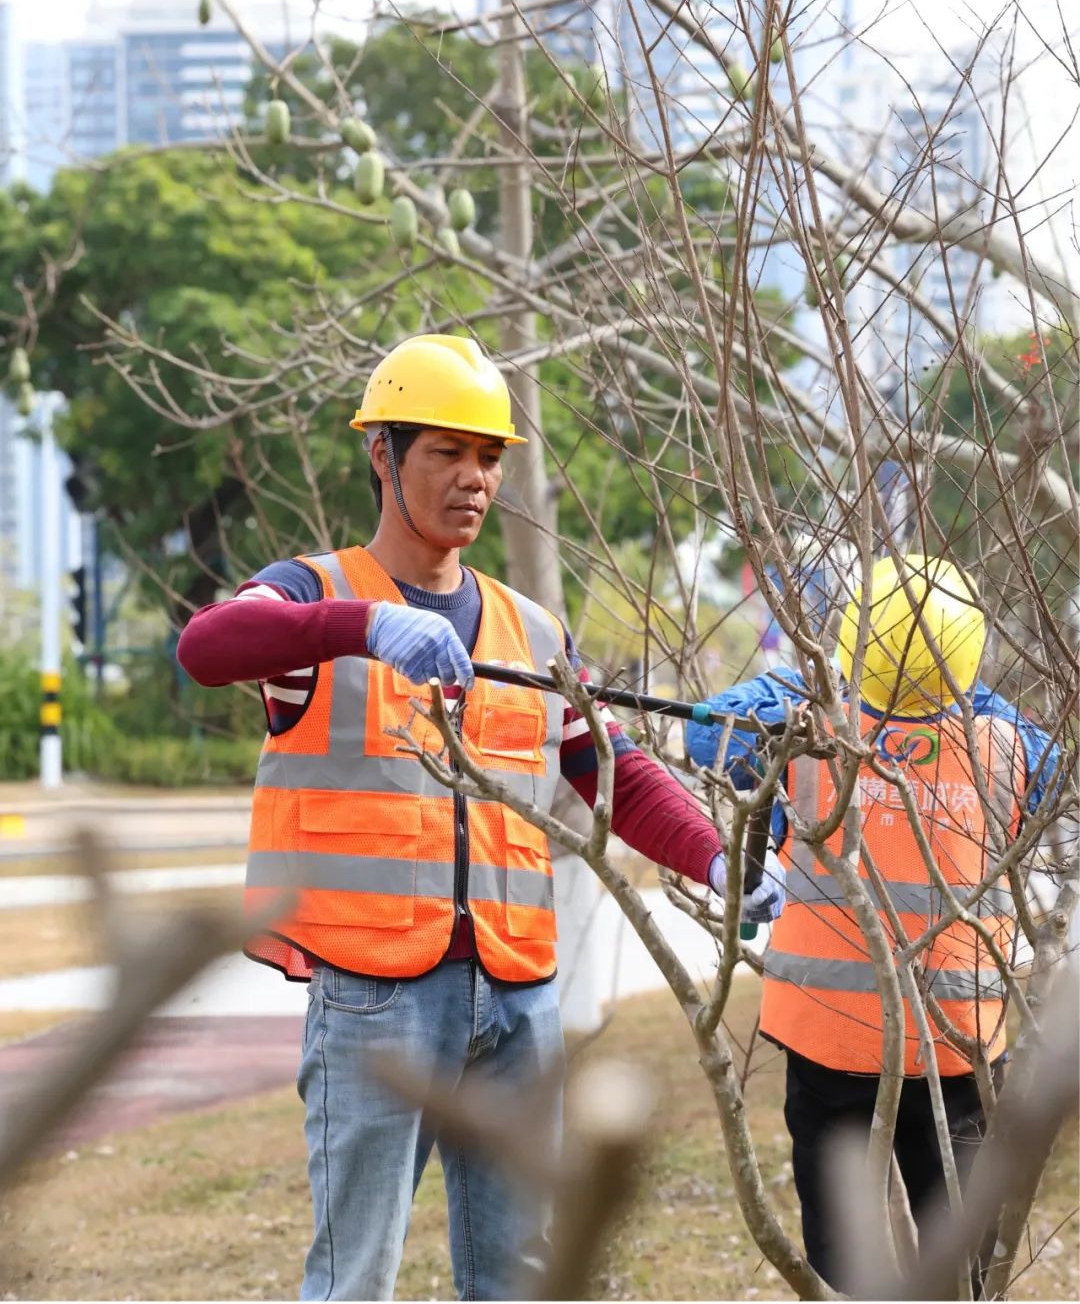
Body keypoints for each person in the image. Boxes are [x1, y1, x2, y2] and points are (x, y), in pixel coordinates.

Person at [177, 332, 785, 1302]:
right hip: (373, 996)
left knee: (520, 1279)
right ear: (382, 455)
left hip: (518, 993)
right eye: (446, 451)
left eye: (490, 456)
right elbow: (208, 645)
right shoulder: (315, 594)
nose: (474, 477)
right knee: (354, 1279)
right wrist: (366, 627)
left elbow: (612, 769)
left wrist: (718, 860)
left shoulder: (532, 630)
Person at [686, 554, 1061, 1291]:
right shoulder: (1009, 747)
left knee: (841, 1260)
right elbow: (1059, 775)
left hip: (825, 1040)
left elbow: (706, 737)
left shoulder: (804, 733)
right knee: (961, 1264)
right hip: (957, 1045)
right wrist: (968, 695)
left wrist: (813, 684)